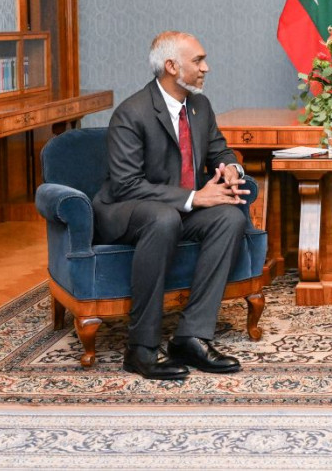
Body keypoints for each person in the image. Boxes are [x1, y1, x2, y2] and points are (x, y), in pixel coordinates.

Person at [92, 31, 250, 380]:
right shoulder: (131, 113)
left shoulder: (200, 107)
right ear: (171, 66)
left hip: (177, 210)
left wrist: (231, 169)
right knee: (163, 219)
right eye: (198, 61)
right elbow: (126, 185)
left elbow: (221, 150)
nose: (206, 68)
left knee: (229, 217)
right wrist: (194, 198)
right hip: (127, 211)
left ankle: (191, 337)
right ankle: (141, 348)